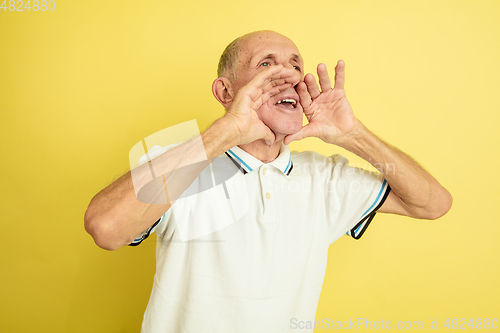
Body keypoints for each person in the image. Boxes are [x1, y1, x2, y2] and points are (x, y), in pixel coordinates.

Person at [84, 30, 452, 332]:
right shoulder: (180, 163)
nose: (290, 76)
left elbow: (433, 203)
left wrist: (353, 135)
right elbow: (105, 227)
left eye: (295, 66)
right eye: (266, 65)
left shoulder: (325, 179)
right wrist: (227, 130)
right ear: (226, 92)